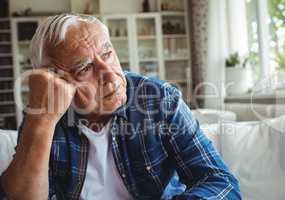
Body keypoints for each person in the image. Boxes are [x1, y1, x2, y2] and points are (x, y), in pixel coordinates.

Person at [0, 14, 241, 200]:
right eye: (84, 68)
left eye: (107, 53)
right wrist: (42, 121)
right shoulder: (44, 116)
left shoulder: (159, 100)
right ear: (54, 81)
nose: (110, 74)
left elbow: (220, 182)